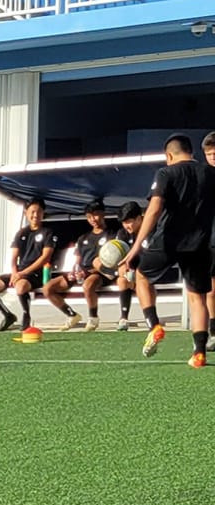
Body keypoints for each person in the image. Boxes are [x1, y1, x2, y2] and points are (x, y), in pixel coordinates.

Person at [124, 133, 211, 363]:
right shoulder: (210, 173)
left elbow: (153, 210)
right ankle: (199, 352)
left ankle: (154, 325)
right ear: (191, 152)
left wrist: (134, 249)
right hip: (200, 243)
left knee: (141, 276)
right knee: (197, 298)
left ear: (169, 155)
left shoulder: (166, 172)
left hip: (168, 240)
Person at [0, 201, 64, 331]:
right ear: (26, 213)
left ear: (43, 214)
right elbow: (14, 256)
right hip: (19, 273)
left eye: (39, 212)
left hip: (37, 274)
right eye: (32, 212)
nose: (35, 215)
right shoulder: (21, 233)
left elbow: (45, 258)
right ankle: (7, 315)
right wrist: (15, 272)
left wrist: (22, 274)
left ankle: (26, 316)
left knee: (20, 287)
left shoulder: (48, 233)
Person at [46, 204, 110, 332]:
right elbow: (77, 260)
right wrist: (73, 272)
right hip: (82, 272)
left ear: (103, 214)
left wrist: (89, 271)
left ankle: (93, 318)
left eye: (96, 215)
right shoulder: (83, 238)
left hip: (100, 272)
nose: (93, 219)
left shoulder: (111, 235)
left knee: (88, 285)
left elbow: (110, 261)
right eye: (89, 217)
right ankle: (72, 315)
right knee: (48, 288)